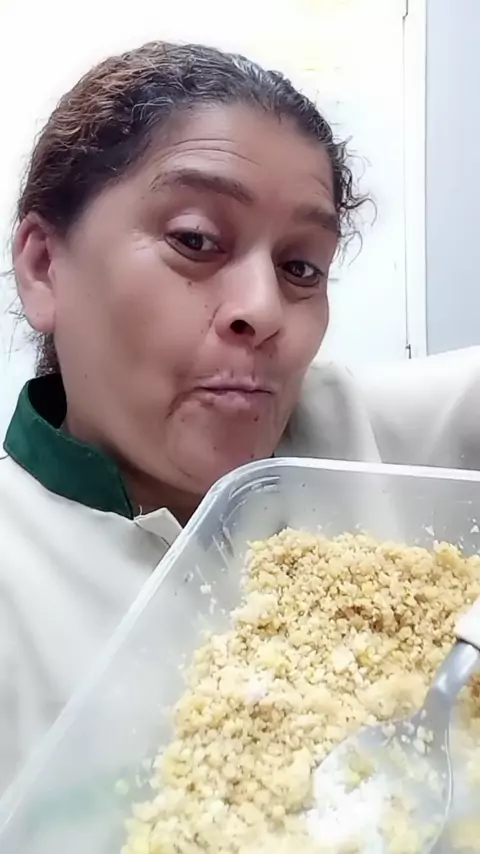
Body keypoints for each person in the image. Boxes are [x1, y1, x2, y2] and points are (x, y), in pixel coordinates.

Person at [2, 39, 480, 798]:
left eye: (301, 267)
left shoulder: (356, 431)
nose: (264, 309)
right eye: (194, 241)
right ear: (42, 266)